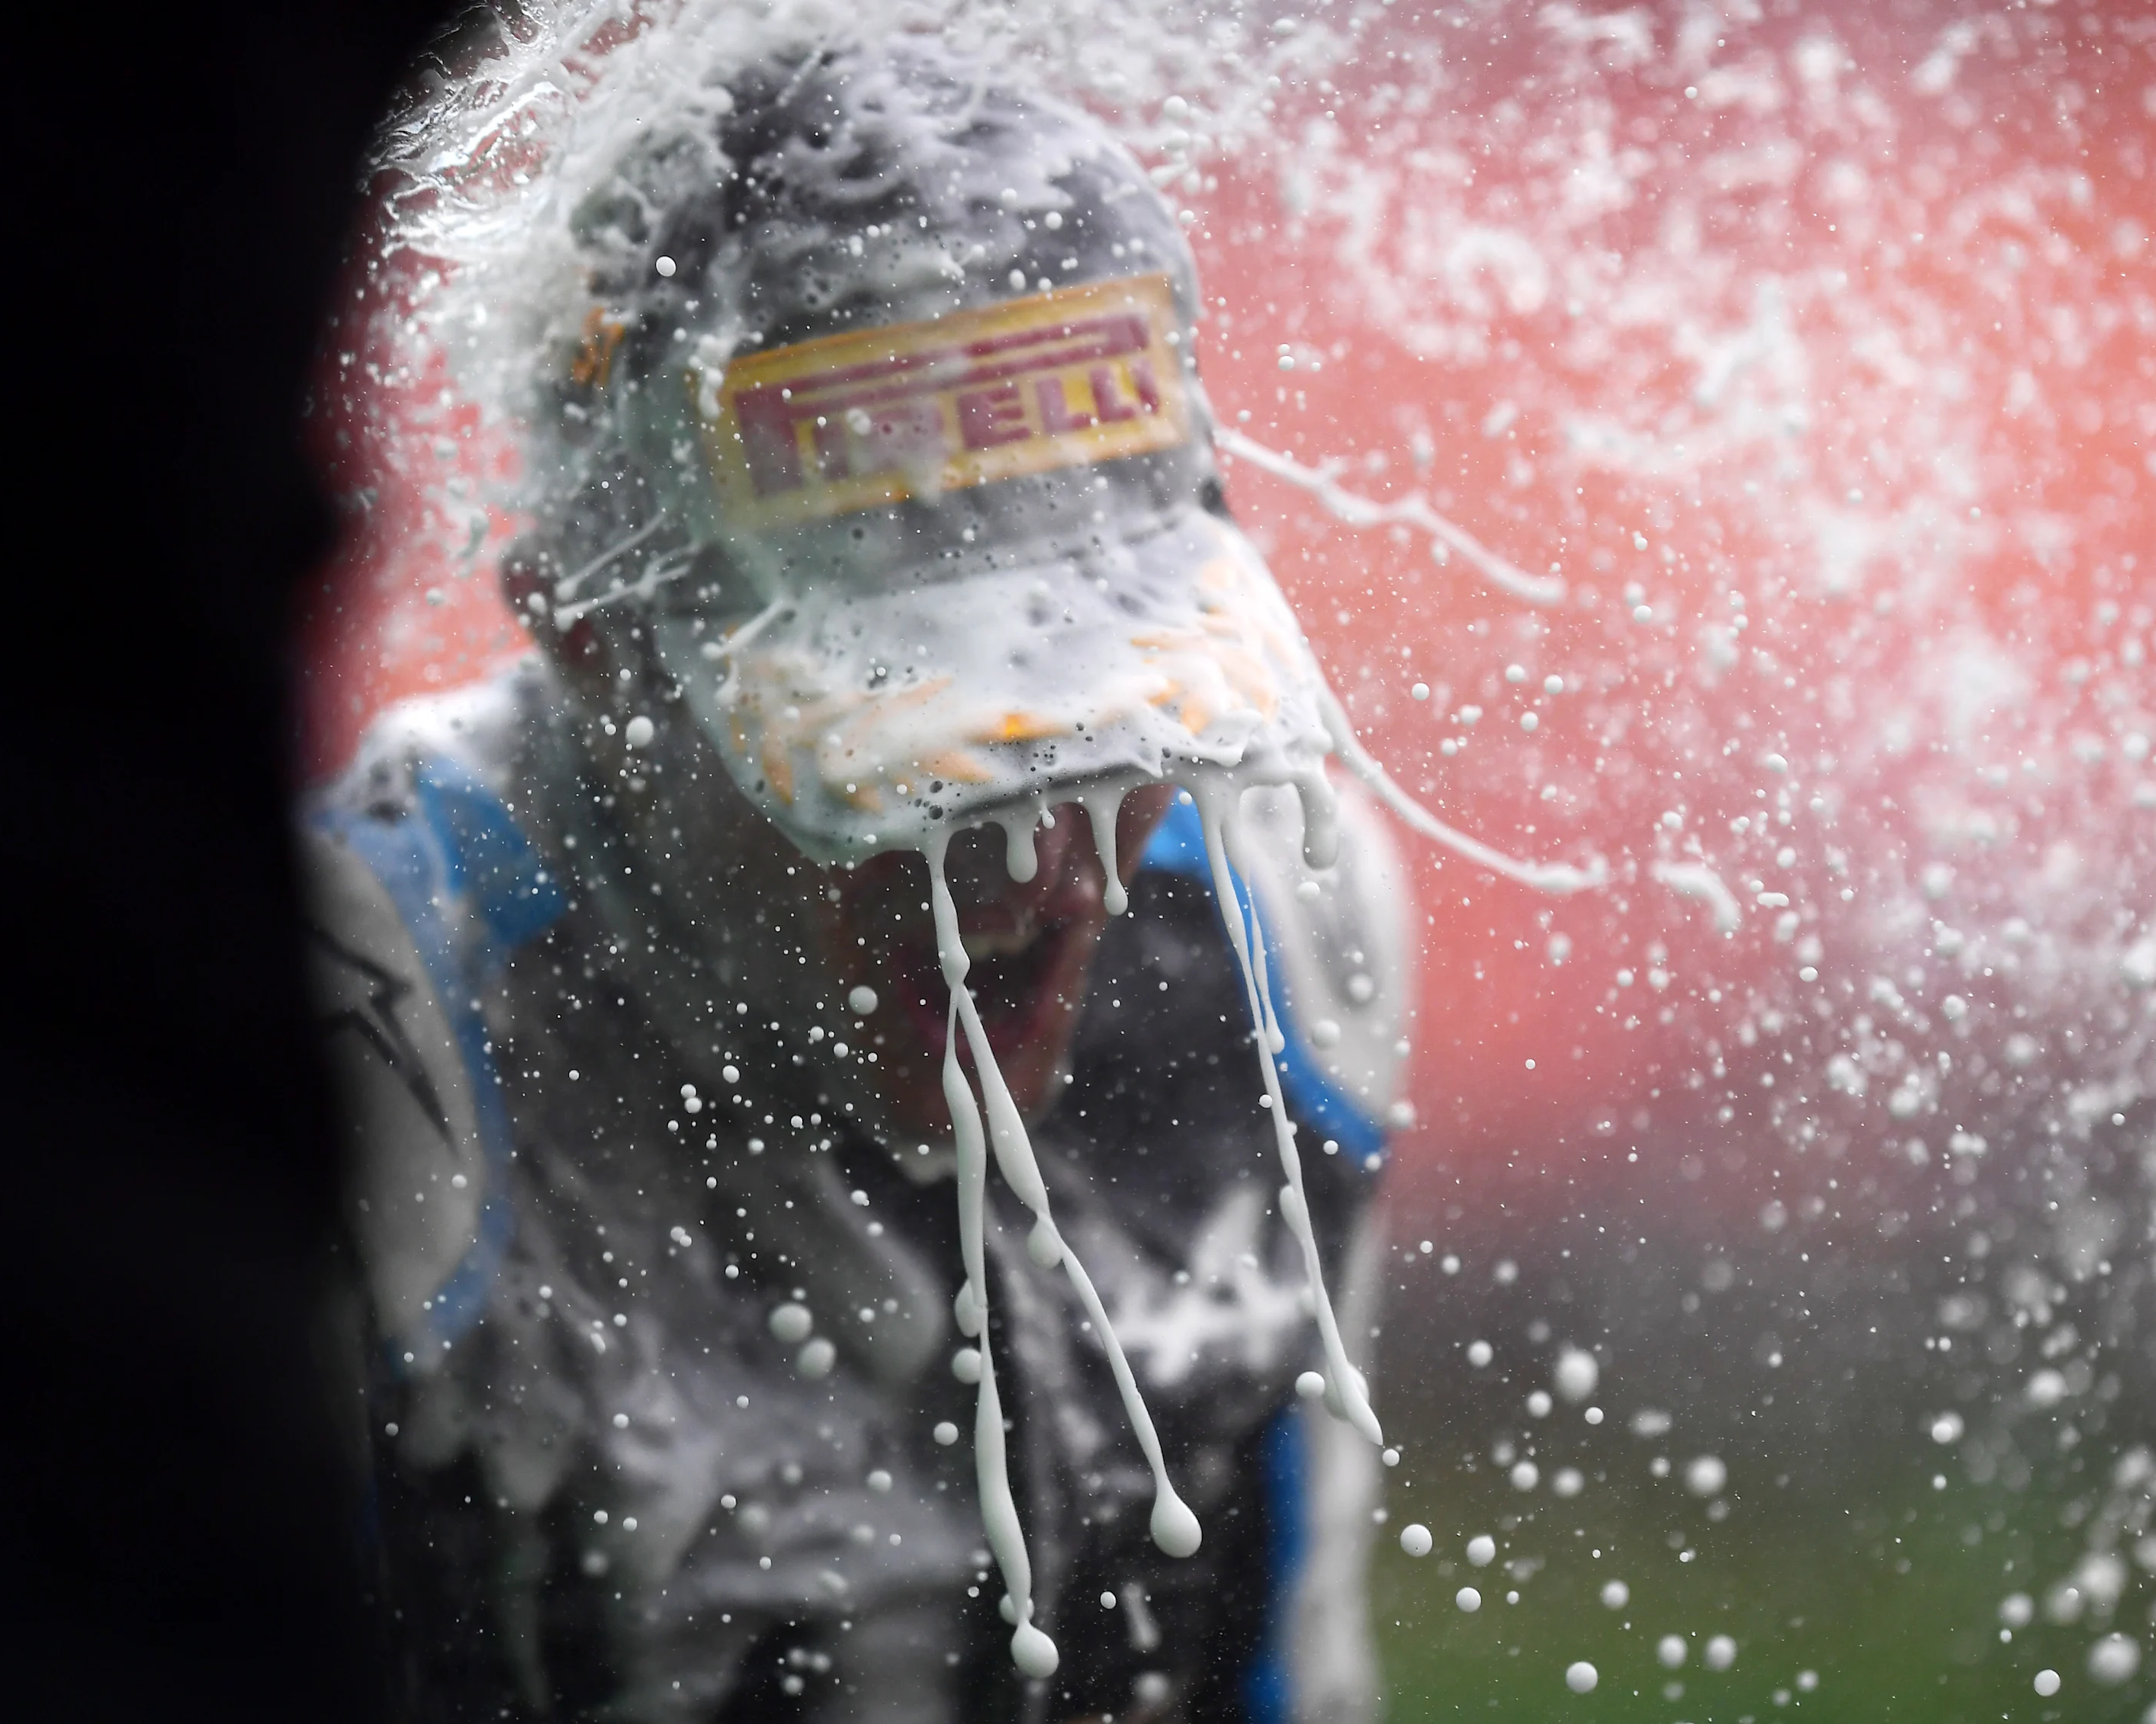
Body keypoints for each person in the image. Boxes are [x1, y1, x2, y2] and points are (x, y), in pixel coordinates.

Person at [307, 35, 1413, 1724]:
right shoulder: (391, 1044)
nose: (1053, 866)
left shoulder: (1274, 919)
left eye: (1108, 725)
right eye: (914, 756)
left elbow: (1291, 1663)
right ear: (603, 644)